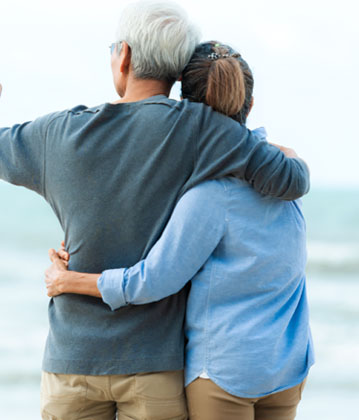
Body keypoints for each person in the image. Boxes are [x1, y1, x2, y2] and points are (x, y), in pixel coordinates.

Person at [0, 1, 310, 418]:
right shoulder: (204, 129)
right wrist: (279, 150)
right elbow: (290, 180)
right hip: (155, 366)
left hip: (71, 360)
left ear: (123, 55)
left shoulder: (57, 134)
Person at [43, 41, 314, 420]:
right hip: (288, 366)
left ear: (185, 111)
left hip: (225, 375)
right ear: (249, 105)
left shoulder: (211, 195)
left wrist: (68, 281)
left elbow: (152, 280)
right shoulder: (286, 172)